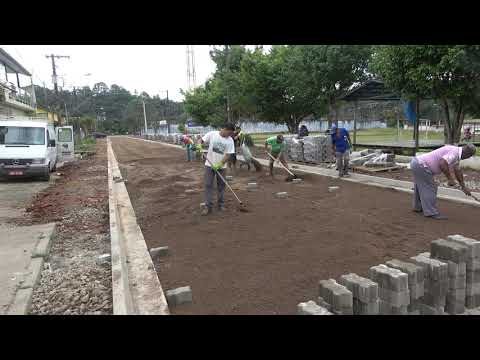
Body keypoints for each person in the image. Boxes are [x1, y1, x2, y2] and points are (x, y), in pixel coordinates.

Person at [410, 144, 476, 220]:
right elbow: (442, 163)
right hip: (422, 165)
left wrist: (463, 187)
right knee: (431, 188)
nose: (468, 158)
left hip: (417, 163)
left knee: (420, 186)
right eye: (470, 156)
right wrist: (450, 179)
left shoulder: (456, 153)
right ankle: (431, 212)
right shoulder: (455, 153)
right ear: (467, 154)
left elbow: (457, 170)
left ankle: (417, 207)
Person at [199, 123, 236, 215]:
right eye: (229, 132)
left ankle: (221, 205)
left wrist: (220, 164)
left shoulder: (230, 140)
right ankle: (208, 207)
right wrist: (199, 145)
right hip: (209, 165)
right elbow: (201, 140)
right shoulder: (212, 134)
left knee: (221, 186)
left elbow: (228, 154)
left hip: (222, 167)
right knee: (208, 185)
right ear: (224, 129)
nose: (230, 135)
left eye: (231, 133)